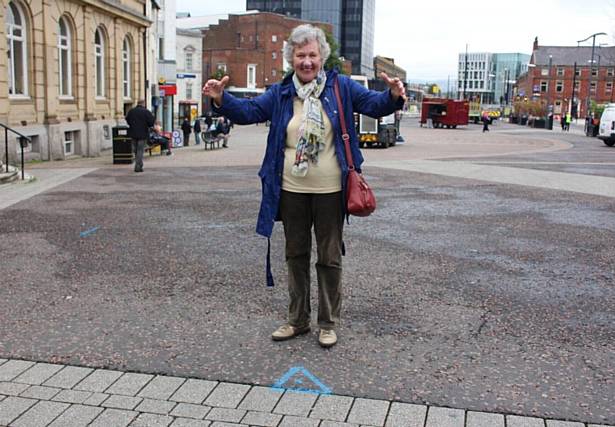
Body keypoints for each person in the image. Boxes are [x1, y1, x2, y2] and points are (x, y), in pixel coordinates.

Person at [203, 24, 405, 348]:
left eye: (312, 54)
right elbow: (249, 110)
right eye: (300, 55)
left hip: (331, 190)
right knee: (295, 255)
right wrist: (221, 99)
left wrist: (393, 95)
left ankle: (327, 322)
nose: (307, 61)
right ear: (291, 58)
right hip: (291, 189)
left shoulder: (341, 87)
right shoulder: (282, 93)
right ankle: (297, 319)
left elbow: (374, 104)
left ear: (322, 56)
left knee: (328, 257)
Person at [125, 99, 155, 173]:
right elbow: (151, 123)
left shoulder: (131, 111)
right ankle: (138, 166)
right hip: (143, 134)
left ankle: (139, 164)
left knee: (136, 150)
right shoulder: (146, 112)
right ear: (143, 104)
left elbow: (127, 120)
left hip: (133, 134)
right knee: (140, 150)